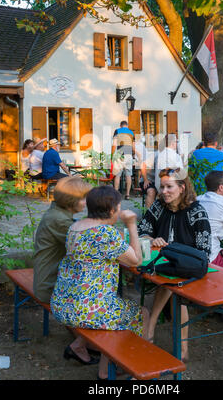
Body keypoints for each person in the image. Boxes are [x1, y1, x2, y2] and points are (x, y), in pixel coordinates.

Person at [50, 186, 150, 380]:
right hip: (87, 309)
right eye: (119, 208)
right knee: (140, 314)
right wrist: (131, 225)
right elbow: (137, 260)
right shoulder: (105, 233)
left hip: (63, 302)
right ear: (112, 210)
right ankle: (125, 369)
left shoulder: (75, 226)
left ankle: (79, 345)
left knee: (115, 311)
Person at [138, 168, 211, 361]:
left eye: (169, 186)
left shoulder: (197, 211)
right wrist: (152, 239)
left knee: (174, 286)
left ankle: (151, 327)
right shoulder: (159, 206)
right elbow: (142, 231)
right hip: (164, 266)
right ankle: (181, 348)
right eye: (161, 187)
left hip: (191, 268)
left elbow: (204, 251)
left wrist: (178, 253)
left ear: (182, 188)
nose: (164, 191)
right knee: (170, 283)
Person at [33, 176, 98, 365]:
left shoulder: (58, 213)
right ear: (71, 201)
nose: (87, 203)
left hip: (49, 277)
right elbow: (90, 248)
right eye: (84, 198)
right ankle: (81, 344)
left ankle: (86, 341)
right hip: (49, 285)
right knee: (98, 298)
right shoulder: (60, 221)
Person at [112, 121, 135, 200]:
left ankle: (116, 194)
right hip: (129, 155)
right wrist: (133, 155)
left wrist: (112, 155)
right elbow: (133, 147)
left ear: (120, 125)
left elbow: (114, 145)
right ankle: (128, 195)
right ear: (127, 126)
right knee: (128, 175)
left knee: (117, 175)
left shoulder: (117, 131)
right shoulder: (132, 133)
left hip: (120, 154)